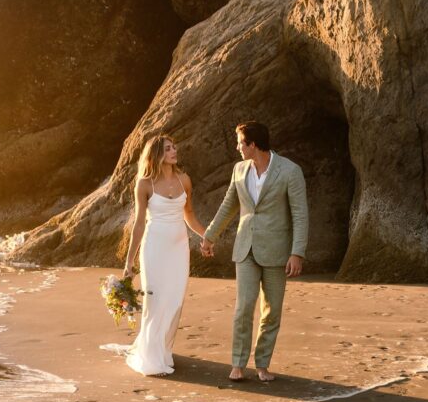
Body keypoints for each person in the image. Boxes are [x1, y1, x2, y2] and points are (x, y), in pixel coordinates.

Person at [201, 121, 308, 383]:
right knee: (244, 307)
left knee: (272, 311)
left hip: (276, 250)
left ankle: (262, 365)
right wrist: (209, 236)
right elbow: (229, 205)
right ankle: (238, 363)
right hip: (245, 248)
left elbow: (300, 213)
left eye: (240, 143)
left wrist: (297, 252)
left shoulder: (290, 171)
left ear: (253, 144)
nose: (237, 148)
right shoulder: (239, 169)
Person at [123, 134, 207, 376]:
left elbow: (189, 214)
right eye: (168, 149)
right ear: (157, 154)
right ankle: (152, 355)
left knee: (175, 300)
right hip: (154, 248)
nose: (174, 151)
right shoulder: (145, 184)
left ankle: (164, 349)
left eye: (174, 147)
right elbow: (139, 223)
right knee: (155, 299)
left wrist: (206, 235)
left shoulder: (184, 180)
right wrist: (129, 261)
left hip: (178, 248)